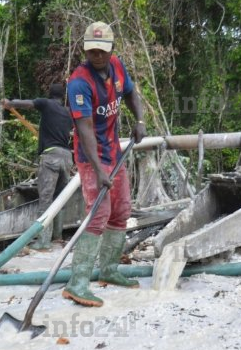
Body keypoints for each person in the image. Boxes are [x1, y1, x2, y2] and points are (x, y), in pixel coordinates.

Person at [63, 21, 146, 307]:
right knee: (98, 214)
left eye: (102, 51)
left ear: (111, 50)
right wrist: (99, 171)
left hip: (113, 150)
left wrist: (140, 120)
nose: (96, 56)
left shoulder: (118, 68)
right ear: (86, 50)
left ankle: (109, 270)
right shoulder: (79, 82)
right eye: (92, 51)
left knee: (121, 210)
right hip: (91, 158)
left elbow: (132, 95)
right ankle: (77, 283)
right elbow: (84, 128)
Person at [0, 83, 73, 251]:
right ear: (63, 97)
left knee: (46, 199)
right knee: (59, 198)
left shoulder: (46, 104)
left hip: (51, 157)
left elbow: (26, 103)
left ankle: (44, 241)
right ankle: (57, 237)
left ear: (50, 94)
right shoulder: (68, 113)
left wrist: (10, 103)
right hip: (67, 158)